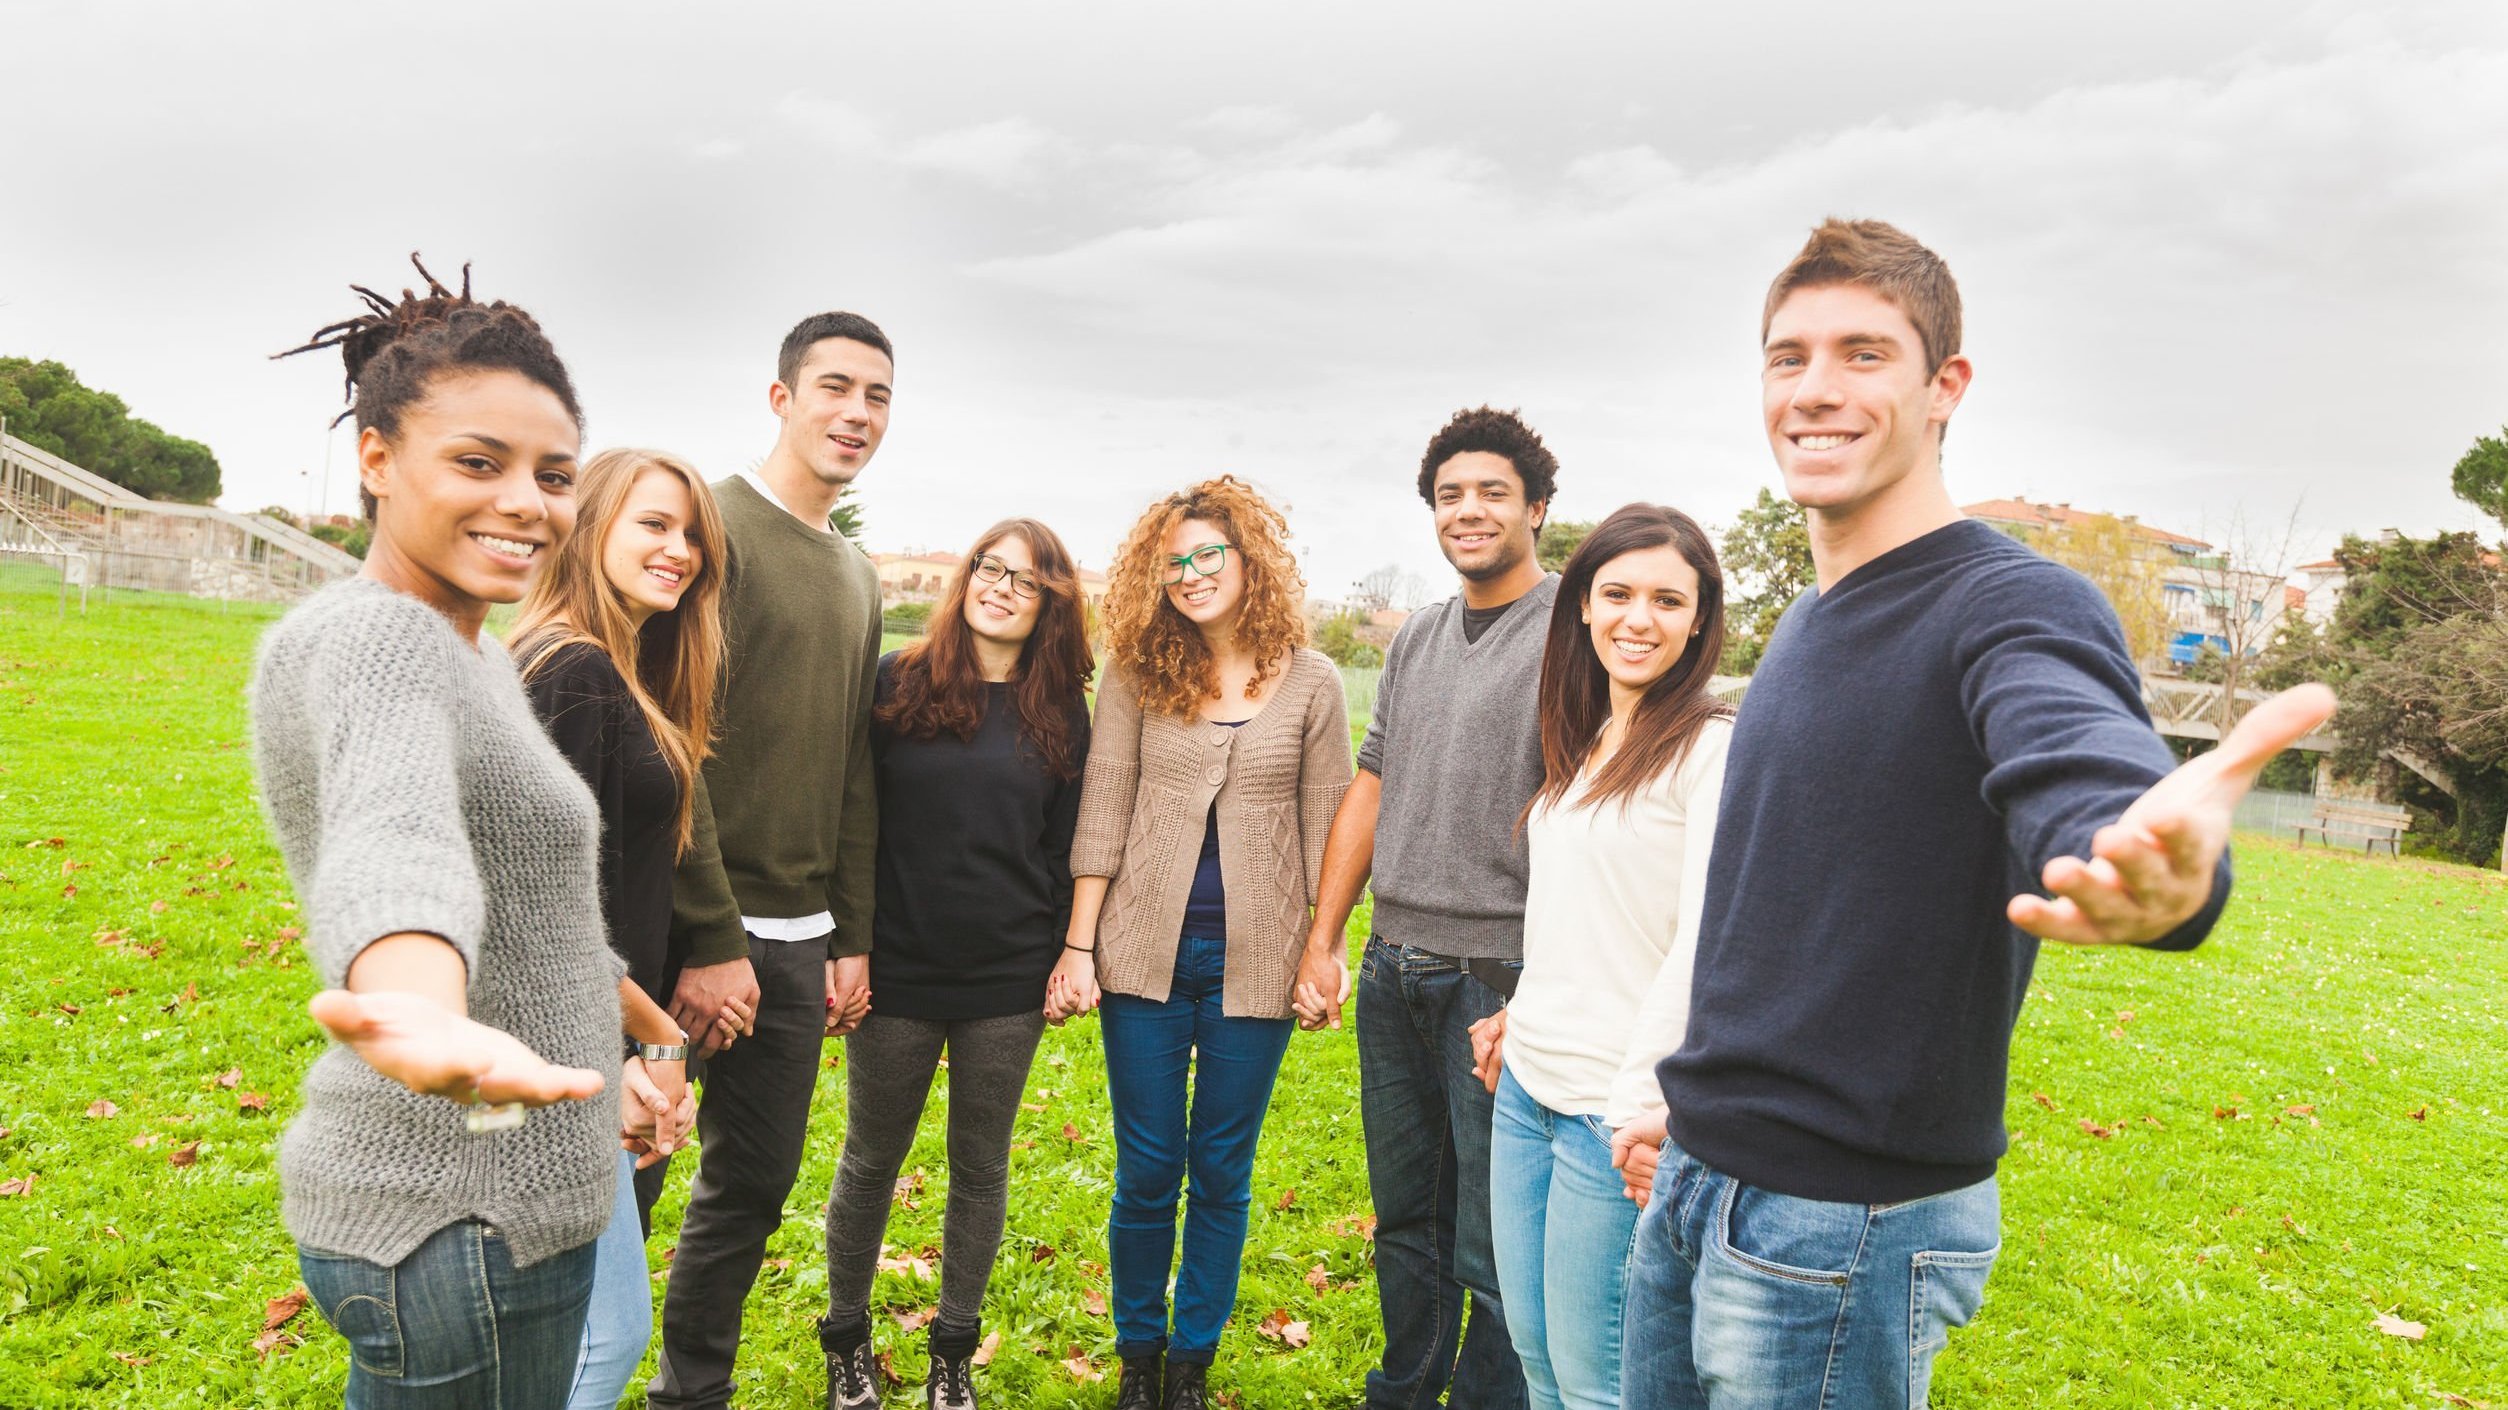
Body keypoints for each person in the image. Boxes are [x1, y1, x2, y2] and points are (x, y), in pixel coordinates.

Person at [1611, 219, 2335, 1410]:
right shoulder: (1807, 622)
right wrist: (1696, 1111)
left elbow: (2073, 750)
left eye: (1863, 354)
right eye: (1787, 357)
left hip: (1837, 1232)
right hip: (1700, 1183)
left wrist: (2140, 852)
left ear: (1945, 386)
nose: (1816, 390)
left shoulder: (2013, 602)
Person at [256, 258, 623, 1408]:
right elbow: (395, 836)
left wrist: (641, 1036)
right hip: (466, 1214)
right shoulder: (387, 644)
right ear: (377, 459)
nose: (529, 503)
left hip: (482, 1206)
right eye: (479, 463)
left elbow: (524, 893)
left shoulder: (468, 647)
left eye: (554, 475)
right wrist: (416, 1004)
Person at [1052, 476, 1354, 1410]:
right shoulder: (1140, 676)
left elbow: (1330, 828)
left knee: (1221, 1167)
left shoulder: (1313, 681)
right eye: (1172, 562)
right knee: (1148, 1167)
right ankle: (1138, 1355)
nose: (1189, 575)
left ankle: (1192, 1361)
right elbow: (1103, 804)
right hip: (1143, 955)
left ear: (1248, 559)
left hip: (1255, 965)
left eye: (1206, 556)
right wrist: (1079, 946)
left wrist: (1322, 951)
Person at [648, 313, 893, 1410]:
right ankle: (565, 1370)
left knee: (751, 1185)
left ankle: (688, 1392)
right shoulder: (711, 529)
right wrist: (708, 938)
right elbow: (667, 740)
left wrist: (852, 936)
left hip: (800, 948)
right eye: (834, 386)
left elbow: (850, 766)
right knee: (628, 1169)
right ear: (781, 397)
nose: (856, 412)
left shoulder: (856, 573)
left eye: (877, 396)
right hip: (683, 932)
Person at [1294, 407, 1558, 1410]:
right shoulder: (1418, 639)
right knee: (1406, 1218)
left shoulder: (1575, 626)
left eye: (1492, 491)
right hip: (1394, 961)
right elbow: (1373, 781)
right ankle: (1401, 1391)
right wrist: (1326, 936)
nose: (1471, 510)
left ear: (1536, 506)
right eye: (1451, 495)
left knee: (1494, 1238)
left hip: (1500, 975)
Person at [817, 519, 1096, 1410]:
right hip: (896, 971)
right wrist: (846, 944)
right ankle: (846, 1342)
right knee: (871, 1157)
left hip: (1005, 982)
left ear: (1050, 604)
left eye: (1025, 579)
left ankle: (951, 1355)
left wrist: (1063, 954)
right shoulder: (896, 683)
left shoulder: (1061, 712)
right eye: (988, 567)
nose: (1000, 586)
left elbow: (1060, 850)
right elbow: (851, 821)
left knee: (981, 1166)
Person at [1478, 503, 1734, 1410]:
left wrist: (1642, 1107)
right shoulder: (1589, 740)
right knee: (1536, 1361)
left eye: (1669, 600)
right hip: (1526, 1091)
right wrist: (1523, 1008)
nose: (1639, 618)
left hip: (1612, 1119)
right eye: (1618, 592)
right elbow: (1587, 913)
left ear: (1699, 619)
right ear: (1581, 605)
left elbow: (1705, 943)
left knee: (1600, 1387)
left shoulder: (1711, 751)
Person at [509, 447, 735, 1410]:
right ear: (592, 523)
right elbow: (534, 906)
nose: (679, 550)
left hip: (594, 1044)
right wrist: (638, 1045)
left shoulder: (620, 670)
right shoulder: (573, 673)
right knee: (601, 1339)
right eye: (653, 524)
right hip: (560, 1053)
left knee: (558, 1334)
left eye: (691, 535)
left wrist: (655, 1044)